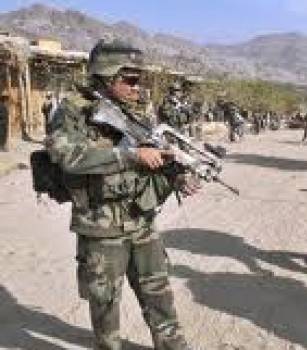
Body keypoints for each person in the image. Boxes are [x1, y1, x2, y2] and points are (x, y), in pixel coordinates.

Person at [45, 39, 199, 350]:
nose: (136, 86)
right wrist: (127, 156)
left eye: (138, 79)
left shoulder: (136, 110)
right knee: (105, 306)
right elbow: (64, 155)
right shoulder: (73, 110)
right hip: (100, 228)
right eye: (128, 79)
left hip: (141, 219)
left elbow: (156, 153)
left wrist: (178, 174)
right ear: (106, 75)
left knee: (159, 296)